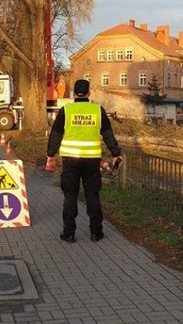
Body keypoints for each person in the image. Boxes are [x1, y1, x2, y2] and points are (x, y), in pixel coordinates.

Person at [46, 79, 122, 243]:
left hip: (70, 160)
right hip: (91, 161)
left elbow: (56, 134)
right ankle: (96, 233)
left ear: (74, 93)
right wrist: (116, 153)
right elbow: (108, 134)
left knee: (70, 196)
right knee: (92, 195)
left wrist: (50, 155)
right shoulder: (97, 111)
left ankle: (69, 233)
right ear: (89, 93)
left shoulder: (66, 110)